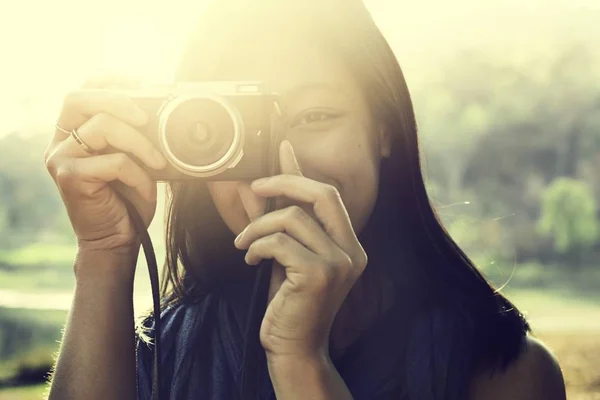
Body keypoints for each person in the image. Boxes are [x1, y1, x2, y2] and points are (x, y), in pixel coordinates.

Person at [44, 0, 567, 399]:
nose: (279, 159)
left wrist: (301, 361)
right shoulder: (154, 358)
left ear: (384, 129)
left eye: (315, 116)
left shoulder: (506, 374)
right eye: (230, 129)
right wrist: (104, 255)